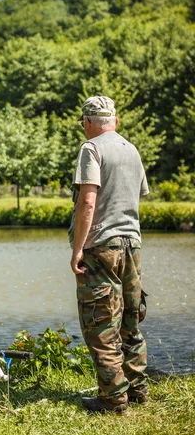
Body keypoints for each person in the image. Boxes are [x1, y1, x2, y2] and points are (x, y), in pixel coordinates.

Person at [69, 95, 149, 415]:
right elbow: (136, 195)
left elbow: (88, 201)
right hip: (133, 244)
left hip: (102, 246)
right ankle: (137, 388)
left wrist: (78, 249)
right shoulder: (131, 150)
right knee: (130, 319)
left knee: (100, 322)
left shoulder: (91, 149)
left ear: (88, 122)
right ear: (115, 121)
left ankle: (113, 400)